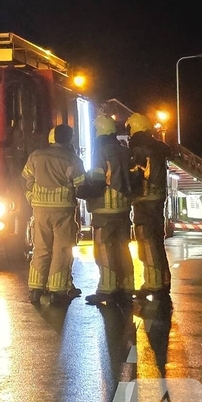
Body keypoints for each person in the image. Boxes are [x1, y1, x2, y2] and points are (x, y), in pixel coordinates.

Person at [23, 124, 87, 305]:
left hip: (40, 209)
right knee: (61, 250)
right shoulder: (73, 160)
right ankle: (57, 291)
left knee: (41, 248)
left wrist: (32, 195)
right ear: (70, 138)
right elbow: (81, 187)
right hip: (63, 210)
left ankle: (35, 289)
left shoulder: (36, 156)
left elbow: (26, 179)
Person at [82, 115, 135, 305]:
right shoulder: (125, 151)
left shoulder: (100, 152)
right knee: (123, 248)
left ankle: (107, 288)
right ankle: (127, 287)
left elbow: (97, 180)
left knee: (103, 249)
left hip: (104, 210)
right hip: (123, 209)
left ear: (100, 133)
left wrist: (83, 191)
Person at [126, 112, 172, 298]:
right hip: (157, 198)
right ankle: (163, 280)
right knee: (157, 240)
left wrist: (127, 188)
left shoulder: (139, 149)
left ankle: (153, 284)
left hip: (144, 199)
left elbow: (134, 175)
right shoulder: (158, 149)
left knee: (147, 240)